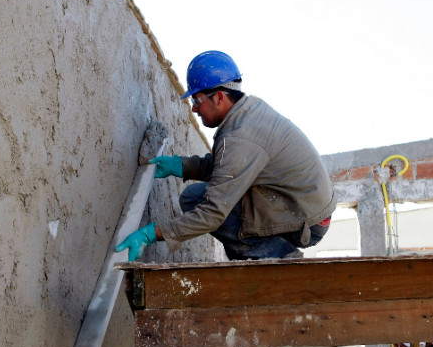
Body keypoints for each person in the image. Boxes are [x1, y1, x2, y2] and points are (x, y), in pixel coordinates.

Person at [115, 50, 336, 261]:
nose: (194, 109)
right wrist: (181, 166)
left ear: (219, 97)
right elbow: (228, 168)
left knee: (200, 202)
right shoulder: (247, 113)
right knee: (194, 196)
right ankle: (261, 254)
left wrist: (153, 233)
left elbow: (213, 214)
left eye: (197, 100)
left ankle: (280, 256)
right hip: (298, 206)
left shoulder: (241, 136)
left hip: (307, 222)